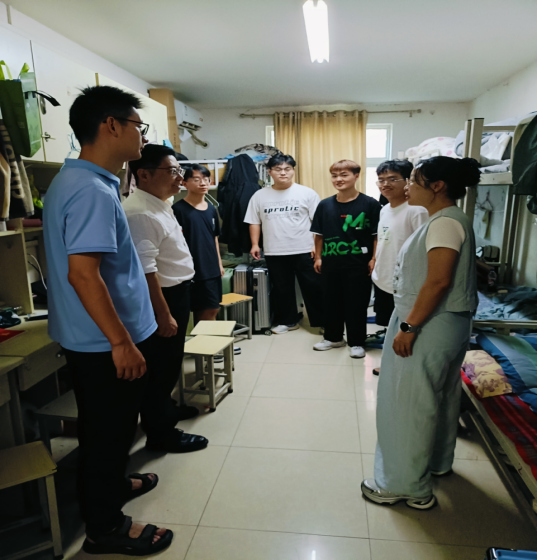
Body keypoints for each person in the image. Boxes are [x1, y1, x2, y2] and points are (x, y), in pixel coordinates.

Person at [43, 86, 173, 555]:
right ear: (111, 125)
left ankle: (113, 486)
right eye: (139, 126)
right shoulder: (91, 191)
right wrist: (121, 342)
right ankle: (105, 528)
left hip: (94, 337)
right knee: (108, 434)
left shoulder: (79, 181)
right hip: (104, 344)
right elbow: (84, 274)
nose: (143, 136)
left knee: (107, 428)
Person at [361, 156, 480, 510]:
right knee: (438, 398)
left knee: (408, 404)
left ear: (437, 186)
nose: (407, 186)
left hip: (428, 324)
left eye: (414, 180)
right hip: (445, 323)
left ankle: (405, 486)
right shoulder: (449, 219)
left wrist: (409, 327)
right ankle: (435, 464)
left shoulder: (444, 224)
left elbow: (438, 281)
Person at [124, 144, 208, 452]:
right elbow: (146, 271)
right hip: (163, 298)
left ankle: (166, 410)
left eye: (179, 170)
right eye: (172, 171)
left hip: (177, 292)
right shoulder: (140, 212)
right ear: (144, 174)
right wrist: (163, 314)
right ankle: (160, 434)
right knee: (160, 368)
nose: (179, 177)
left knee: (171, 362)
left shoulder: (159, 202)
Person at [244, 154, 324, 334]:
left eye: (287, 169)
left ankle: (323, 322)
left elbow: (318, 223)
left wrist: (315, 246)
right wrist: (255, 244)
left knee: (313, 288)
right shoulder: (259, 195)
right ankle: (289, 321)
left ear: (293, 171)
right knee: (282, 289)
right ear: (270, 172)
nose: (283, 173)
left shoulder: (307, 193)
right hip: (275, 250)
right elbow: (254, 222)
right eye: (278, 169)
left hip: (305, 249)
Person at [311, 160, 381, 358]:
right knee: (330, 302)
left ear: (356, 176)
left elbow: (376, 236)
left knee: (356, 304)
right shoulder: (324, 205)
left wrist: (374, 258)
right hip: (330, 263)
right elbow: (319, 234)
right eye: (334, 175)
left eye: (344, 175)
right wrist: (318, 257)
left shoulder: (370, 204)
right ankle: (333, 338)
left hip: (358, 264)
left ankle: (356, 342)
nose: (338, 179)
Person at [370, 160, 428, 374]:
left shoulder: (417, 210)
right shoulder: (385, 209)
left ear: (408, 181)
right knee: (390, 325)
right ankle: (391, 363)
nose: (385, 184)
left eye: (392, 179)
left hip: (405, 282)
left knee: (406, 327)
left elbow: (424, 249)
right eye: (381, 180)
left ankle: (402, 367)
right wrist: (375, 261)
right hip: (384, 278)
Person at [172, 164, 225, 324]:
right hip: (190, 268)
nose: (203, 183)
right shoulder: (178, 209)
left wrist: (219, 264)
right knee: (198, 310)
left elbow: (214, 238)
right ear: (185, 183)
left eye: (206, 179)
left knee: (212, 308)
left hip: (211, 268)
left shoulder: (211, 209)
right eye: (196, 179)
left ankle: (208, 339)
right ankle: (203, 339)